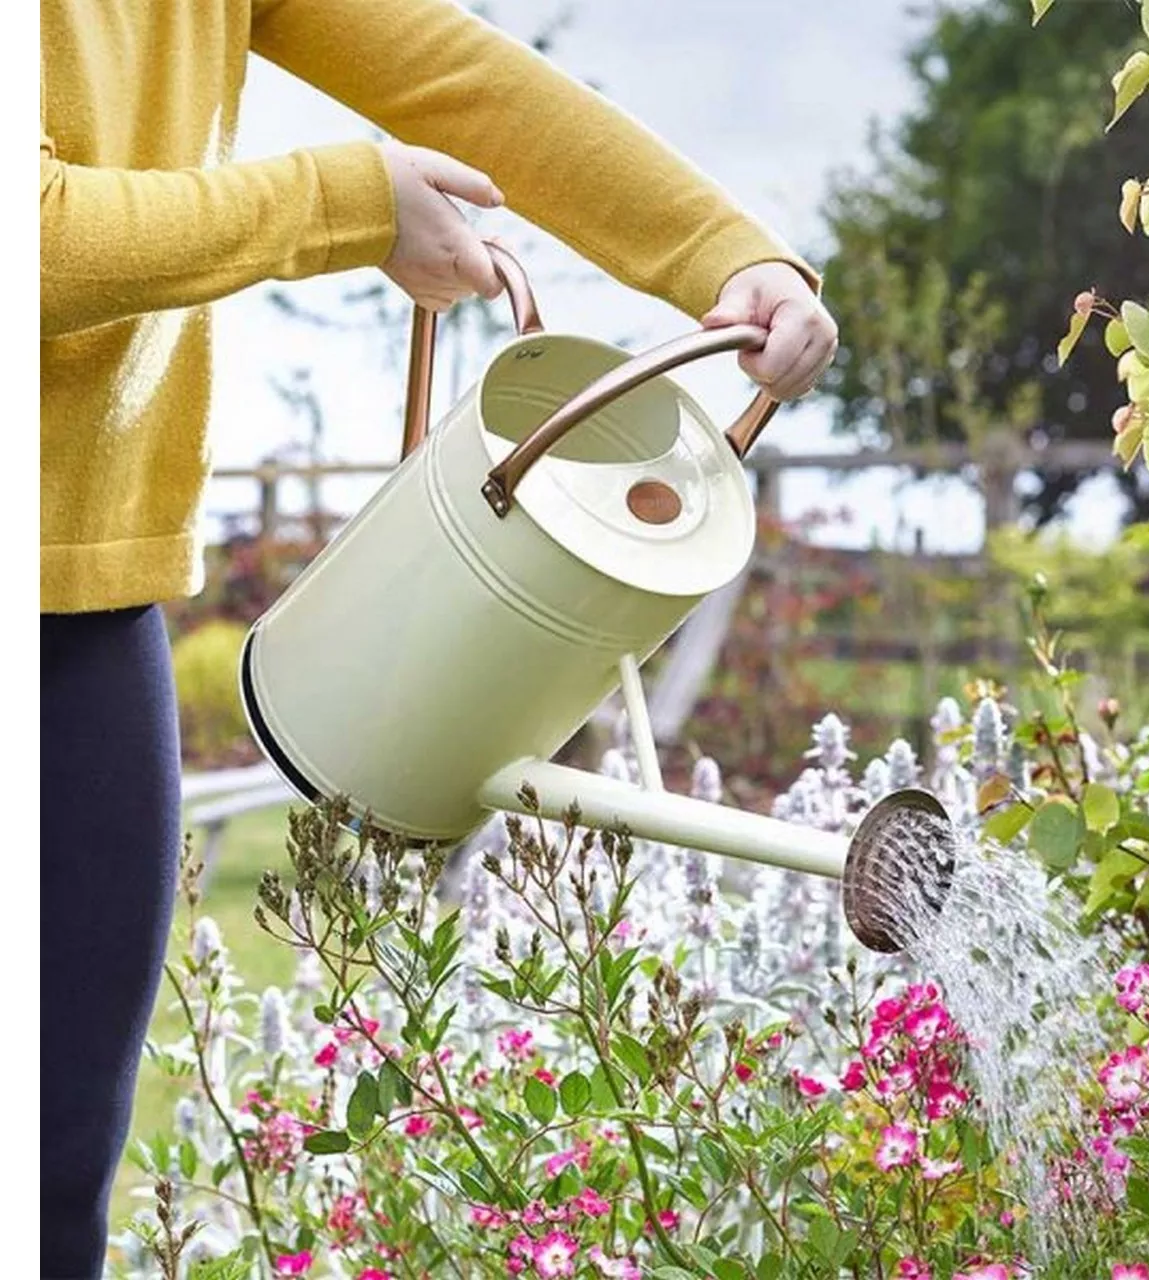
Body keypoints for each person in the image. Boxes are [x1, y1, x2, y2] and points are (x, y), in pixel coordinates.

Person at [40, 0, 837, 1272]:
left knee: (52, 1161)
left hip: (83, 604)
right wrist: (344, 201)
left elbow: (455, 75)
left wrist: (721, 253)